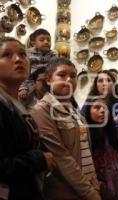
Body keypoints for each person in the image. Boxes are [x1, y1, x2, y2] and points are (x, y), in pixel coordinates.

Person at [31, 57, 101, 200]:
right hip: (64, 191)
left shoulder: (75, 111)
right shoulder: (42, 110)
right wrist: (91, 194)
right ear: (49, 80)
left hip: (86, 187)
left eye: (73, 76)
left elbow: (85, 152)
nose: (69, 79)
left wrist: (94, 185)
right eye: (62, 75)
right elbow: (62, 158)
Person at [0, 37, 55, 200]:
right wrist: (40, 159)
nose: (18, 60)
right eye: (6, 55)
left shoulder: (15, 104)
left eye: (23, 55)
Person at [83, 97, 118, 200]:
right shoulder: (84, 134)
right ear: (89, 111)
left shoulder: (113, 133)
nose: (102, 111)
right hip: (93, 187)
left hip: (115, 185)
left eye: (105, 108)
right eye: (97, 107)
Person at [18, 28, 56, 103]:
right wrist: (23, 88)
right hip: (30, 83)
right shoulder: (28, 54)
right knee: (25, 102)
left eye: (48, 40)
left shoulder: (54, 55)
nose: (46, 42)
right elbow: (23, 72)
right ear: (33, 43)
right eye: (42, 40)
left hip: (47, 84)